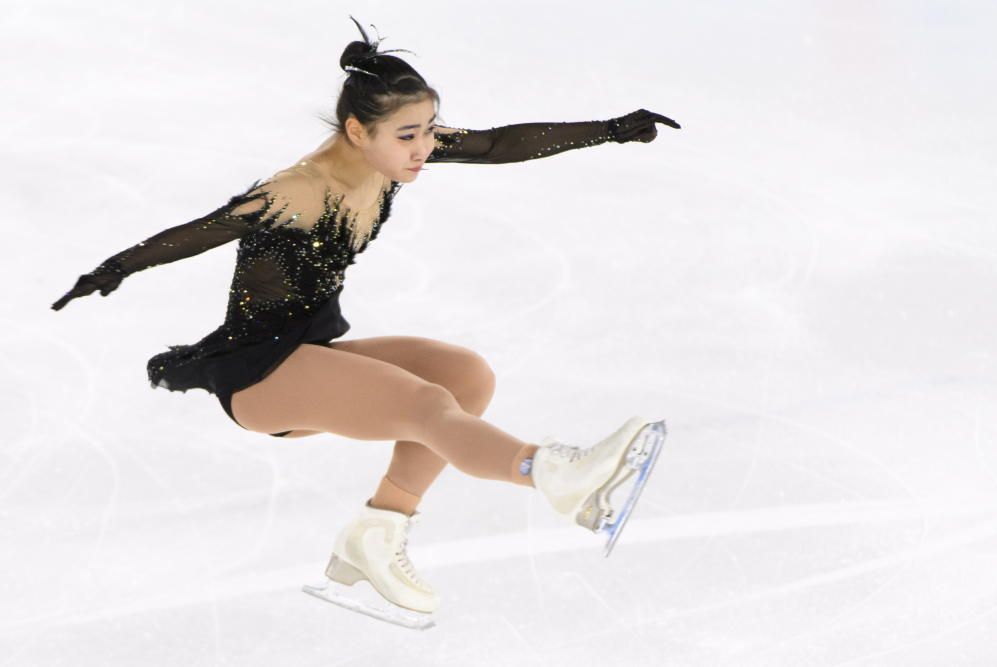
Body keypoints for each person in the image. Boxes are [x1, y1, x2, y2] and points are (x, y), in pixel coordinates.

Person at [51, 15, 680, 629]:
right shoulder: (298, 189)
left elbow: (493, 144)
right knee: (428, 404)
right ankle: (555, 474)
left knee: (465, 376)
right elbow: (207, 230)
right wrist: (115, 268)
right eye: (409, 136)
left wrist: (613, 129)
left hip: (309, 350)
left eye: (430, 130)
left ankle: (377, 533)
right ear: (357, 130)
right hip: (257, 374)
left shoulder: (390, 155)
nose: (425, 148)